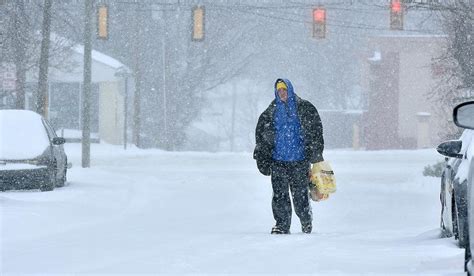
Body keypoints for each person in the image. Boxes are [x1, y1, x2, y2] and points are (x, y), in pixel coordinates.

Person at [253, 79, 324, 234]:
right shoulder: (270, 112)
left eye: (284, 90)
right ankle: (282, 225)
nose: (282, 93)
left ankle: (306, 220)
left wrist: (316, 154)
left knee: (300, 196)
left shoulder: (304, 108)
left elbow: (315, 131)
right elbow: (261, 137)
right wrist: (262, 158)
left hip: (299, 161)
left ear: (290, 90)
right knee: (279, 196)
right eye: (279, 91)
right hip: (278, 162)